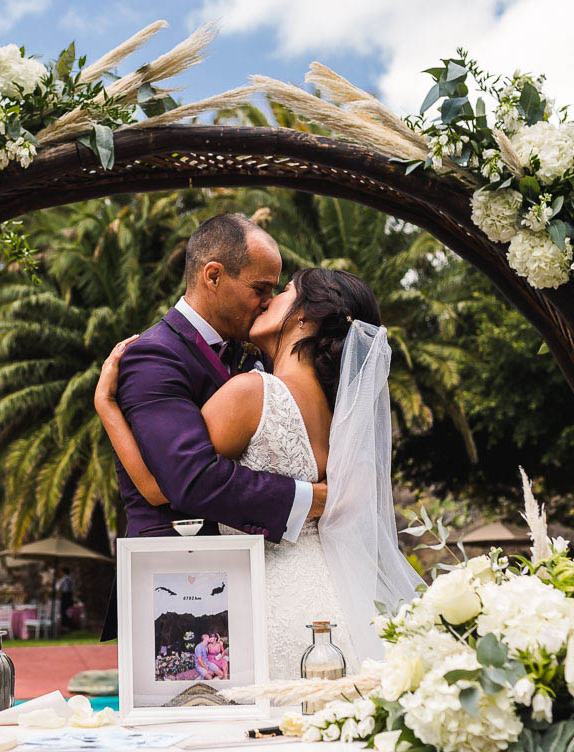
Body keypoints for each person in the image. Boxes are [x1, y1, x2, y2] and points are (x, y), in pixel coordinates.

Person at [96, 267, 424, 678]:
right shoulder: (341, 415)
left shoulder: (252, 393)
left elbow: (168, 485)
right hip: (335, 593)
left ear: (305, 317)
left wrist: (107, 407)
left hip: (268, 598)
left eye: (284, 291)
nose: (268, 300)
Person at [96, 214, 328, 641]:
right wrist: (305, 499)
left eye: (276, 291)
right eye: (260, 289)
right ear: (214, 275)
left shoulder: (254, 356)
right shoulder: (154, 356)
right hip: (174, 582)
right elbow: (189, 478)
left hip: (250, 575)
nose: (268, 302)